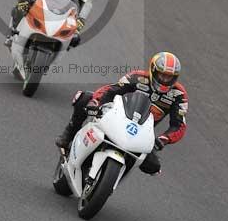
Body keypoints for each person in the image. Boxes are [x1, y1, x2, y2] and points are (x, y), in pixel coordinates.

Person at [55, 51, 188, 175]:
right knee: (84, 98)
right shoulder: (137, 77)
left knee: (153, 167)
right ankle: (69, 133)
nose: (165, 80)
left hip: (141, 133)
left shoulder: (179, 94)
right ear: (153, 70)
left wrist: (162, 140)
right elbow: (110, 90)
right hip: (116, 118)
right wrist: (96, 103)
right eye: (162, 75)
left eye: (169, 77)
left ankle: (112, 179)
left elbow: (179, 125)